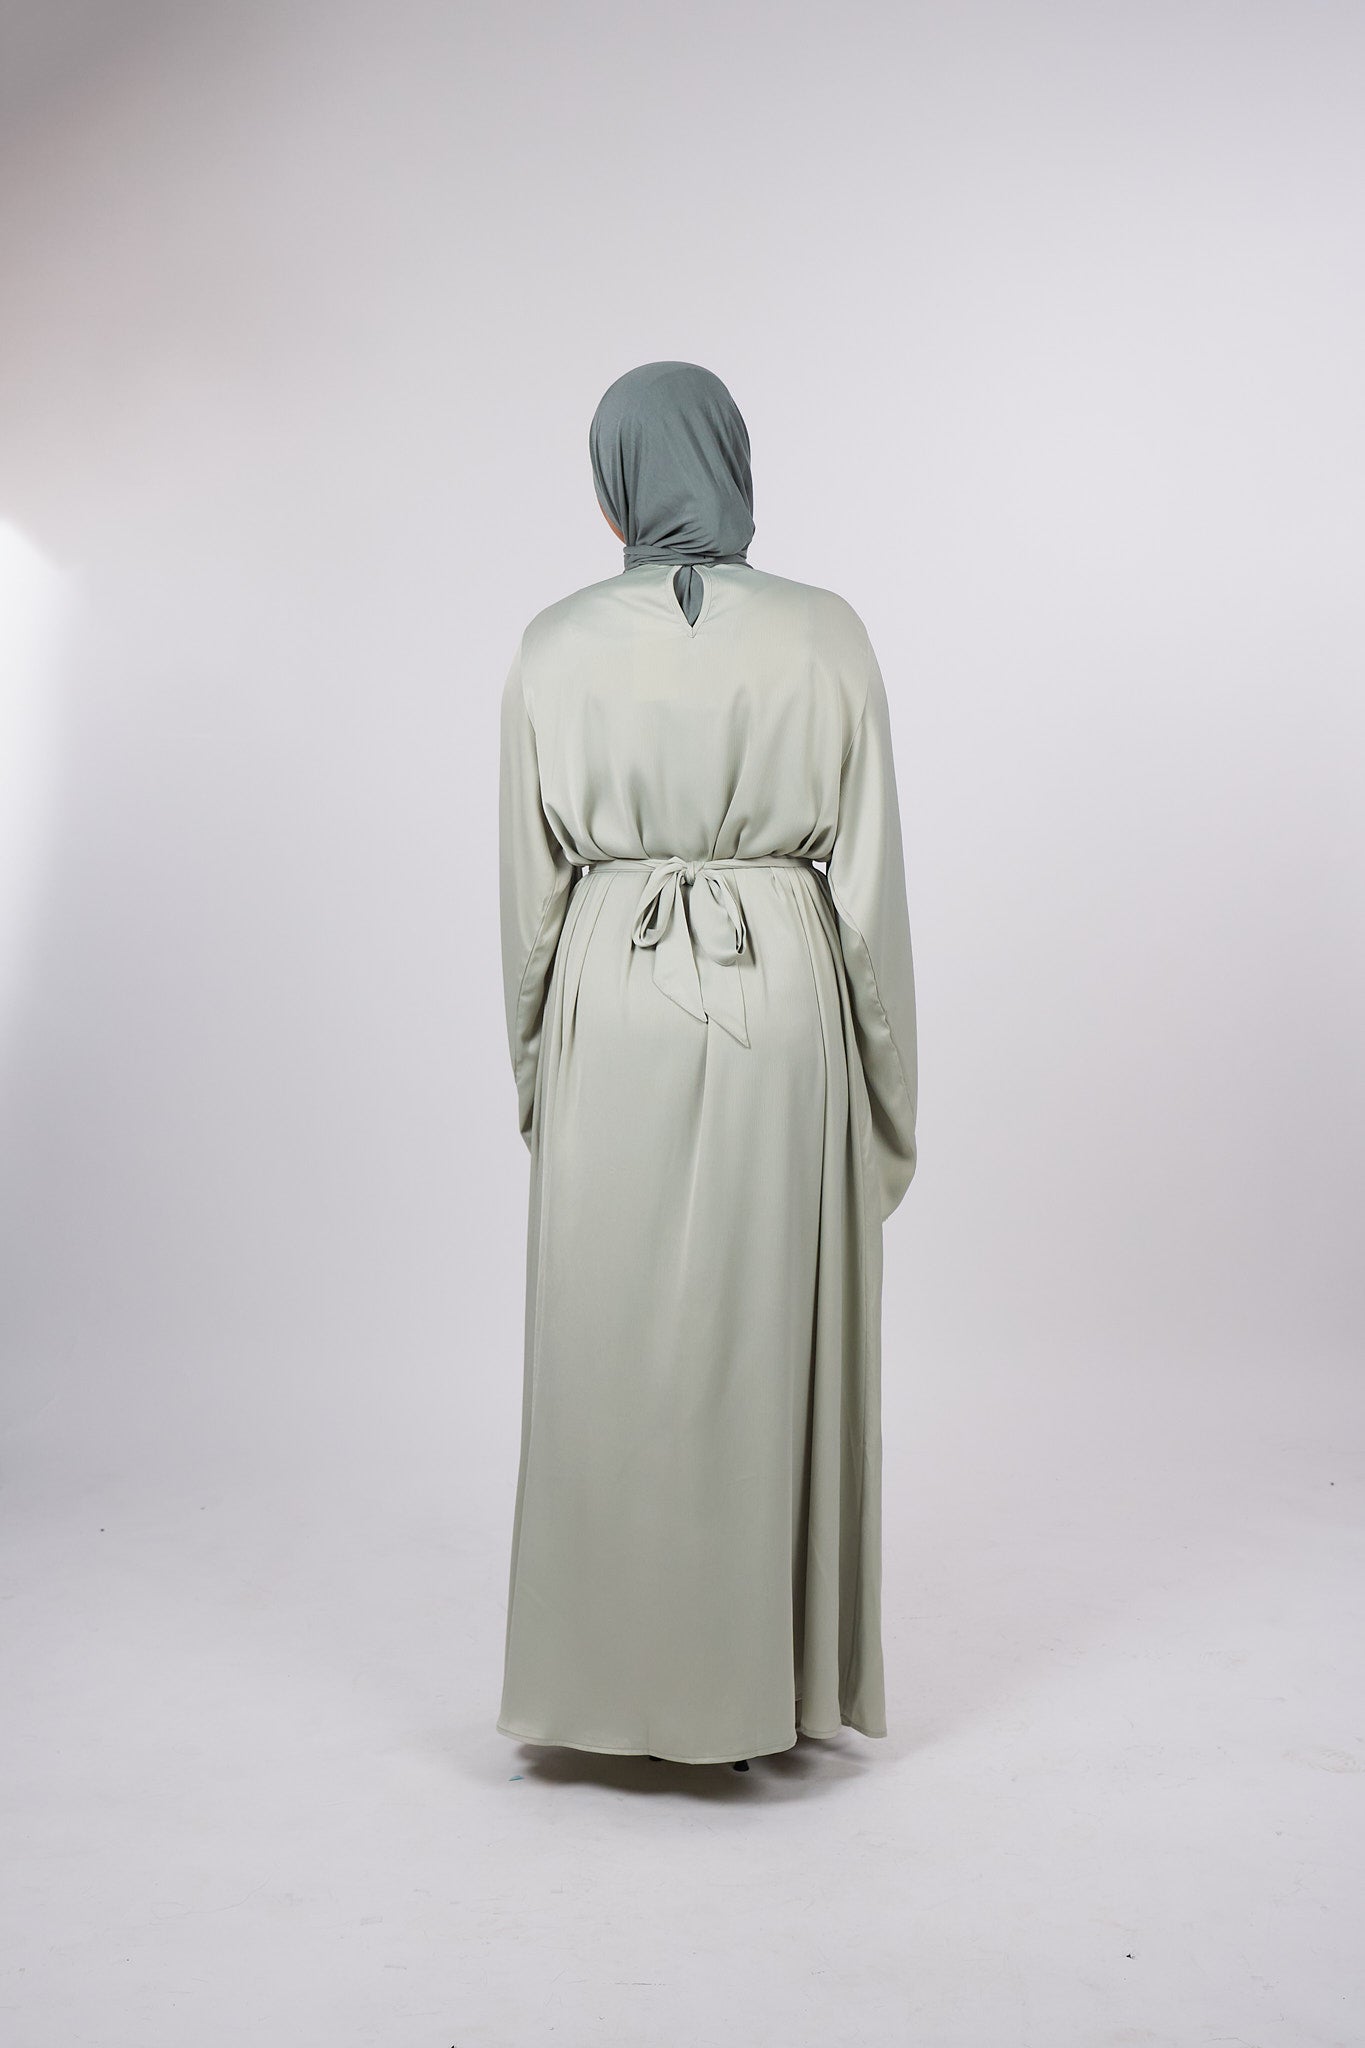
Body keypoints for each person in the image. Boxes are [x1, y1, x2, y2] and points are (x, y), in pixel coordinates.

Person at [496, 360, 918, 1770]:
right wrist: (887, 1103)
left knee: (606, 1341)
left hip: (610, 999)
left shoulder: (554, 645)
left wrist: (537, 1072)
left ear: (614, 484)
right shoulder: (825, 633)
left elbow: (529, 898)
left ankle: (603, 1686)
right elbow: (870, 889)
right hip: (780, 994)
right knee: (761, 1337)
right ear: (733, 466)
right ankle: (757, 1687)